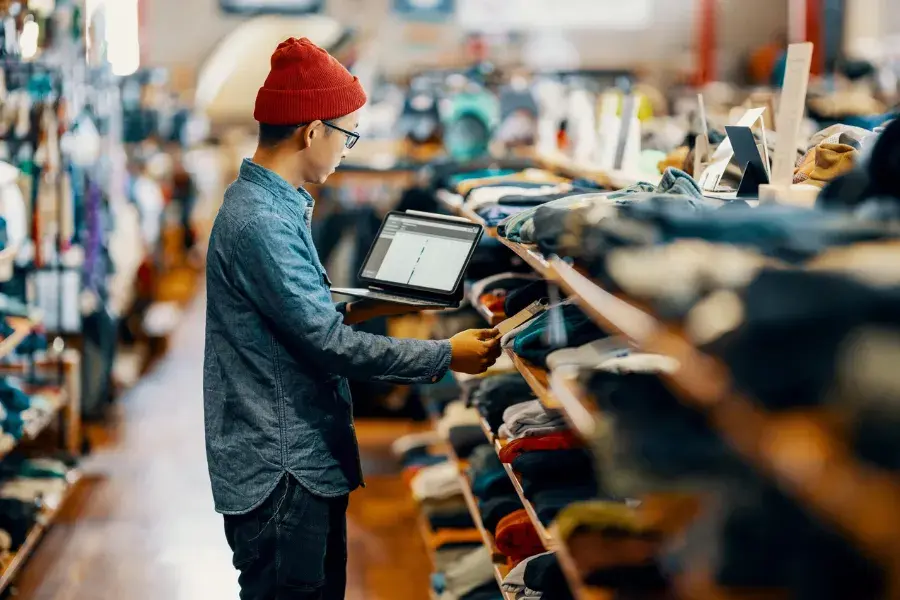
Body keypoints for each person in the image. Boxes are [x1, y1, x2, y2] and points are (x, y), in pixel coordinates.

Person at [203, 37, 502, 600]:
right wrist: (446, 355)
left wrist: (382, 304)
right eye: (348, 134)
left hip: (295, 461)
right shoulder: (262, 221)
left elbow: (298, 320)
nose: (348, 149)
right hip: (282, 469)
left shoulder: (276, 205)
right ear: (312, 131)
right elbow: (327, 344)